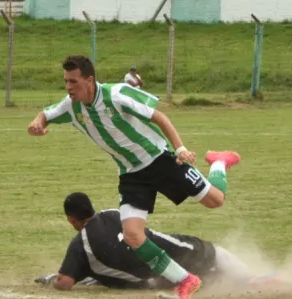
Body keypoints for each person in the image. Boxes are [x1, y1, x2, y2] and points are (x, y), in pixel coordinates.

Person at [27, 55, 241, 299]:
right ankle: (186, 280)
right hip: (131, 173)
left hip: (159, 160)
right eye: (66, 81)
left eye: (73, 81)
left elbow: (159, 117)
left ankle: (220, 162)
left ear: (89, 80)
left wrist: (180, 149)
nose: (68, 87)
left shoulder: (116, 95)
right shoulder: (71, 106)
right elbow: (46, 114)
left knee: (216, 200)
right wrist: (36, 124)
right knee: (132, 235)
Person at [34, 192, 262, 293]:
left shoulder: (79, 245)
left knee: (205, 275)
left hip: (156, 280)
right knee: (211, 252)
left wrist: (52, 279)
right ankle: (254, 277)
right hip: (172, 250)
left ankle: (239, 281)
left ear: (71, 219)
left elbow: (65, 282)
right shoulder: (113, 213)